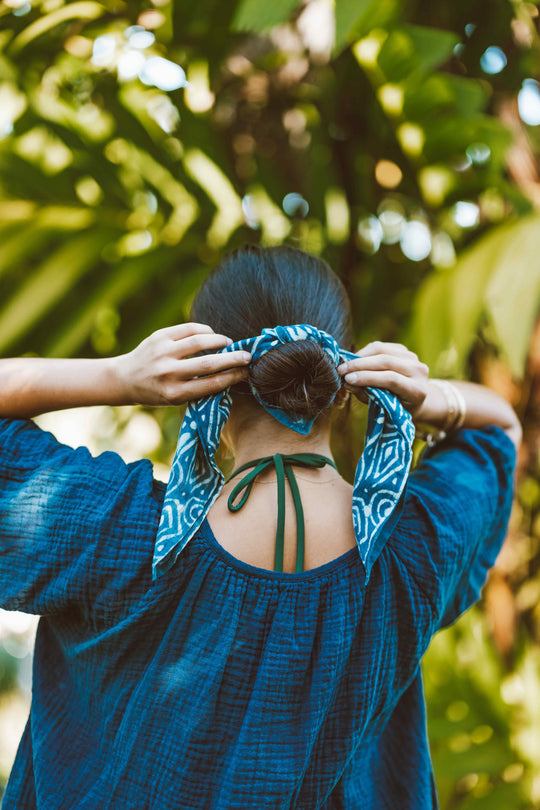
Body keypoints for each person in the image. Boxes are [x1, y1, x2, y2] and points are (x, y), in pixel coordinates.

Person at [0, 244, 521, 809]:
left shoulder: (113, 528)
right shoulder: (418, 545)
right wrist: (427, 397)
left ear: (203, 388)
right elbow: (500, 429)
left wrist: (119, 377)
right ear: (345, 392)